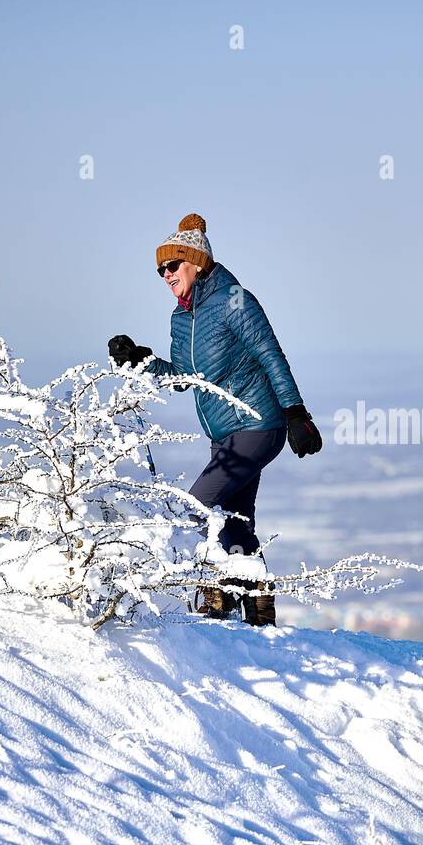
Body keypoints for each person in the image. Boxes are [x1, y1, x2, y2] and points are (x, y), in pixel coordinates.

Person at [108, 213, 322, 626]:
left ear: (197, 261)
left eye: (172, 265)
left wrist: (296, 412)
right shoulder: (181, 318)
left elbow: (269, 354)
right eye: (160, 269)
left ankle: (214, 594)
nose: (165, 275)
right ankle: (258, 609)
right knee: (233, 521)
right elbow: (184, 379)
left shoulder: (234, 299)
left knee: (195, 507)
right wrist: (141, 360)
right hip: (223, 435)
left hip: (259, 423)